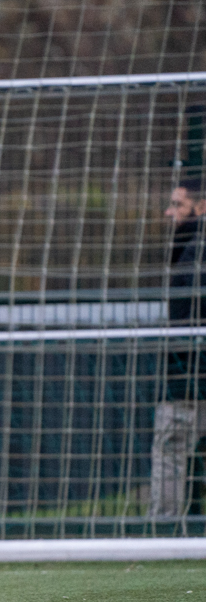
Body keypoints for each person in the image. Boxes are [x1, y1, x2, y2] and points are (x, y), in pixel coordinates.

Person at [152, 177, 206, 517]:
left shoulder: (194, 251)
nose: (169, 213)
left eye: (178, 206)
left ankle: (163, 527)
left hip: (188, 378)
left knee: (170, 450)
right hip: (188, 375)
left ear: (201, 208)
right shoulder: (185, 250)